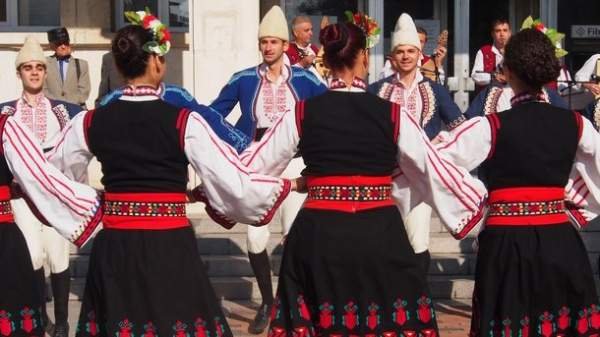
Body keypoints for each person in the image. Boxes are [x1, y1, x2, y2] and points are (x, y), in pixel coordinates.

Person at [47, 11, 293, 337]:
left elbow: (50, 172)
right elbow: (234, 182)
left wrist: (95, 200)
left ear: (120, 68)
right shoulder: (183, 121)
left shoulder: (90, 122)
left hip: (116, 247)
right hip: (170, 246)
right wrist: (288, 183)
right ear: (157, 63)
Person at [237, 19, 486, 337]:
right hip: (378, 232)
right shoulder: (393, 113)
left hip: (318, 233)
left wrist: (273, 185)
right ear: (364, 59)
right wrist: (475, 204)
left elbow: (254, 167)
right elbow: (430, 167)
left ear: (326, 60)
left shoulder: (300, 112)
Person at [436, 28, 600, 337]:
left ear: (507, 71)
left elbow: (435, 162)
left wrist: (479, 205)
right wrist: (574, 203)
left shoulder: (490, 125)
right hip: (559, 238)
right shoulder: (577, 124)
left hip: (505, 241)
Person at [208, 6, 326, 333]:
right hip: (258, 163)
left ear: (285, 44)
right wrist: (237, 142)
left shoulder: (304, 79)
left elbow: (329, 111)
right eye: (264, 42)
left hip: (296, 163)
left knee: (296, 236)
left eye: (274, 41)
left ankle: (297, 303)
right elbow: (212, 114)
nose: (269, 47)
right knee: (254, 237)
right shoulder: (244, 78)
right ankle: (267, 301)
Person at [0, 36, 85, 337]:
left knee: (58, 256)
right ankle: (39, 317)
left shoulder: (64, 111)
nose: (34, 72)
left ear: (45, 71)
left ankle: (61, 323)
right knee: (33, 256)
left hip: (55, 197)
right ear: (18, 73)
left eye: (38, 67)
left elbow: (80, 149)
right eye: (27, 68)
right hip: (21, 198)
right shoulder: (5, 113)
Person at [369, 13, 466, 273]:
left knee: (418, 240)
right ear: (392, 56)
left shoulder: (434, 90)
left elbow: (459, 127)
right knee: (386, 241)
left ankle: (418, 302)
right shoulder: (377, 90)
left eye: (411, 50)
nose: (405, 56)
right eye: (400, 51)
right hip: (385, 176)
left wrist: (440, 150)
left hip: (421, 177)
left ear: (420, 54)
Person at [98, 82, 251, 152]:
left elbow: (207, 121)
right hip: (168, 200)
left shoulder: (177, 95)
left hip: (122, 205)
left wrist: (244, 146)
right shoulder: (110, 101)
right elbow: (207, 122)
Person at [44, 27, 91, 108]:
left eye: (65, 43)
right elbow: (43, 89)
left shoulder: (81, 64)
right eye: (59, 44)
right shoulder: (45, 63)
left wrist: (67, 105)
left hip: (76, 109)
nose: (63, 46)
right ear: (52, 46)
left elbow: (84, 91)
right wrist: (58, 104)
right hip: (52, 110)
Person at [471, 19, 511, 90]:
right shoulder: (484, 51)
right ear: (492, 34)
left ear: (510, 33)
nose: (502, 34)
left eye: (505, 30)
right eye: (498, 31)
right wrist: (493, 77)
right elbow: (475, 75)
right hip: (490, 96)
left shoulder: (516, 51)